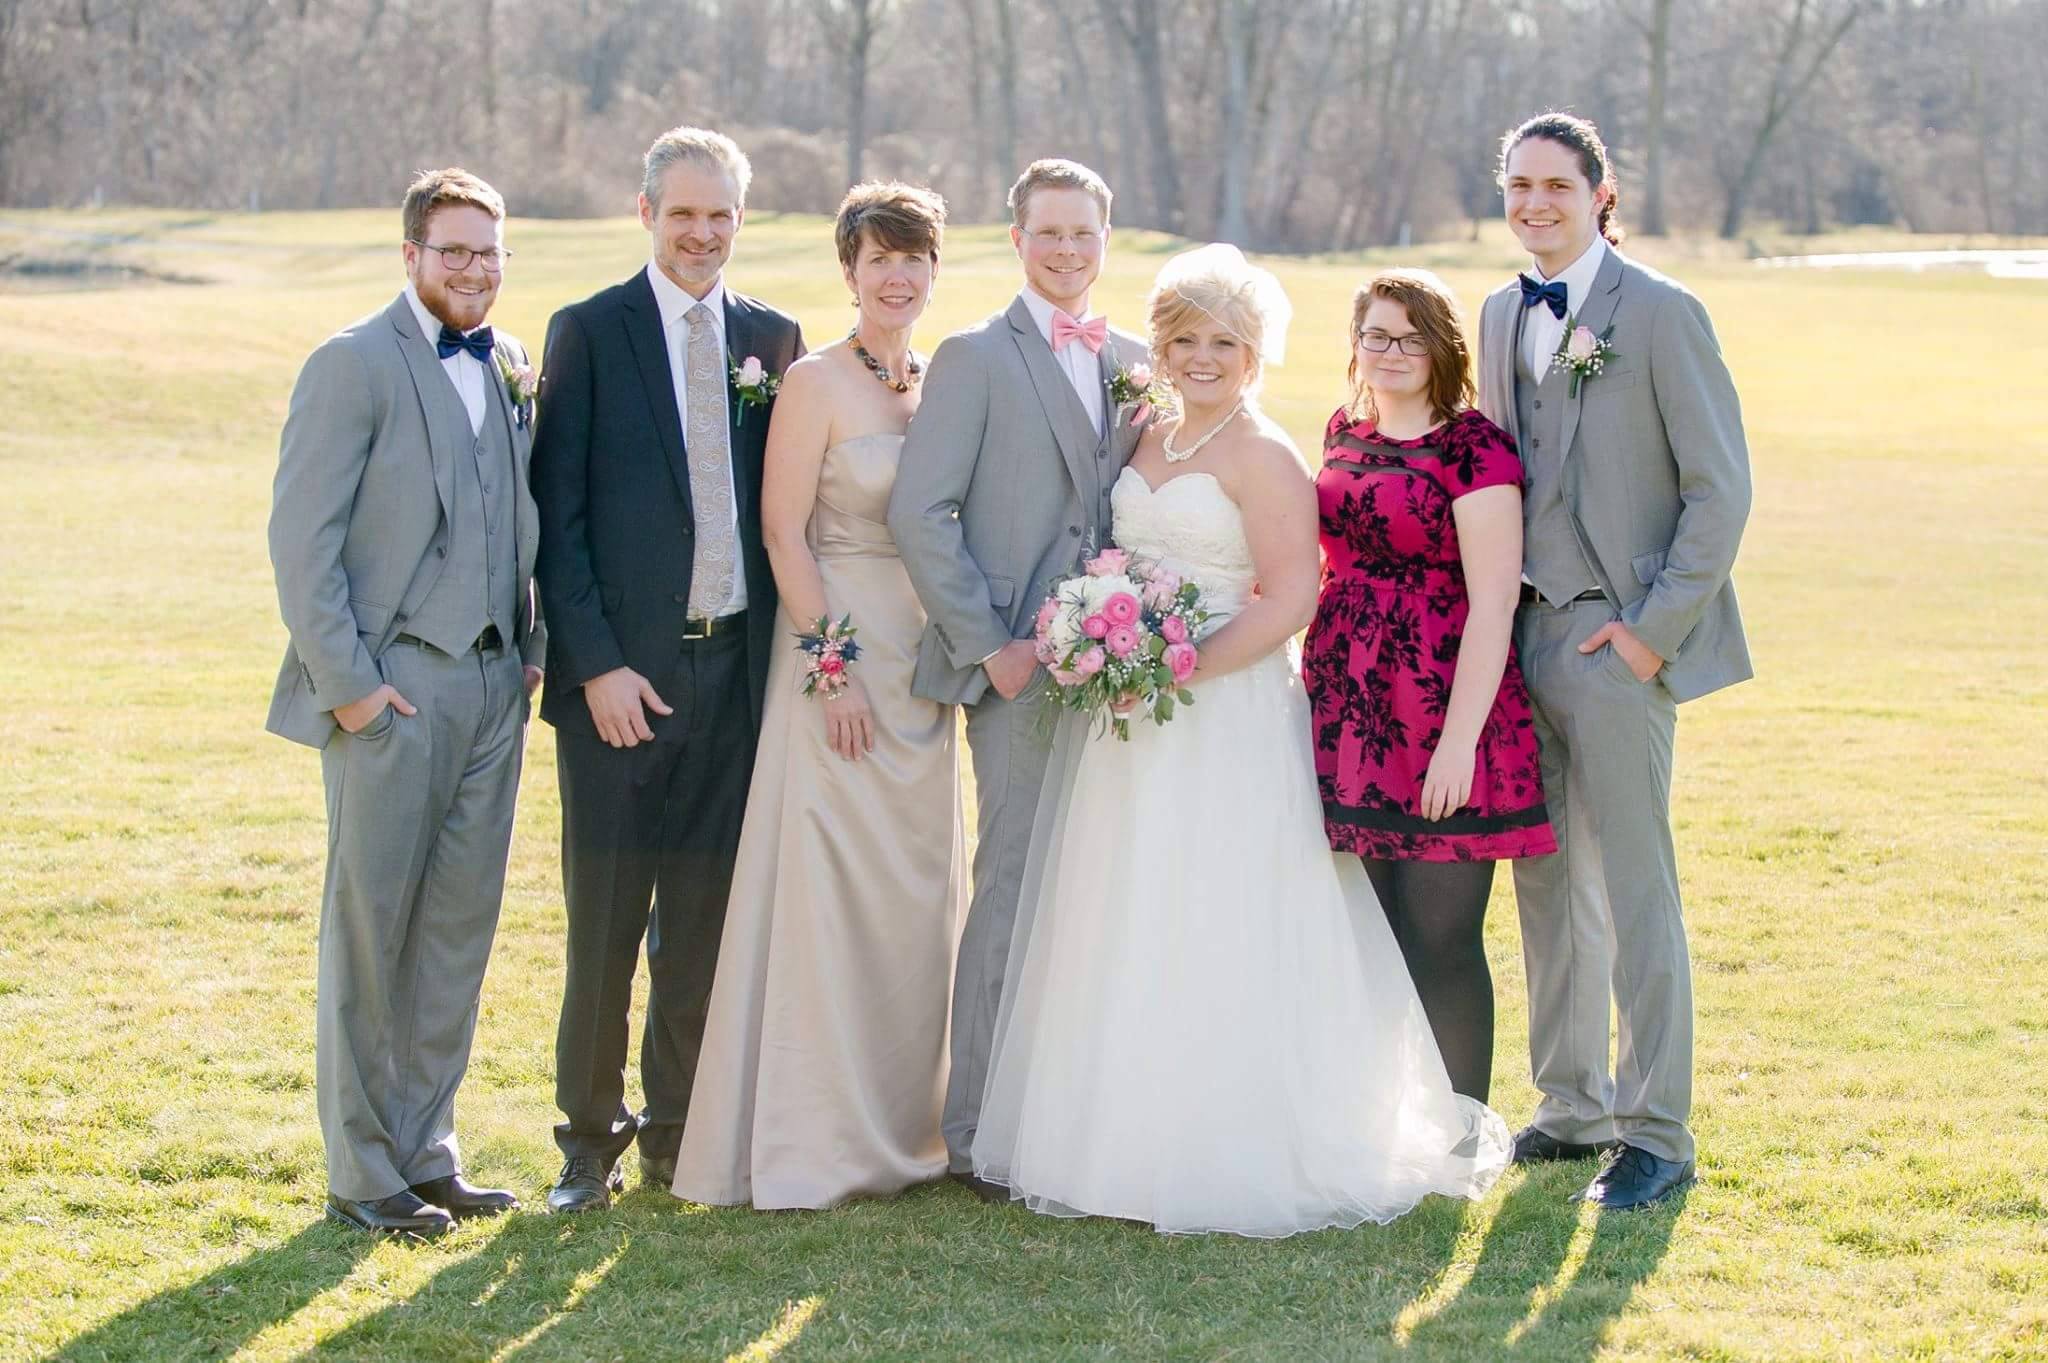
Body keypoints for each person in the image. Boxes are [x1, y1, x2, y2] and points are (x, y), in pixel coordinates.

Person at [971, 245, 1509, 1238]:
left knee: (1222, 911)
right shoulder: (1142, 438)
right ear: (1161, 348)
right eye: (1184, 339)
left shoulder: (1263, 455)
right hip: (1129, 719)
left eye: (1224, 341)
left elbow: (1291, 596)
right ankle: (1120, 1134)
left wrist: (1175, 668)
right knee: (1126, 907)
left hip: (1221, 711)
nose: (1202, 356)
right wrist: (1104, 644)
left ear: (1254, 354)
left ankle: (1239, 1134)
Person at [1478, 111, 1752, 1209]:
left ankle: (1657, 1129)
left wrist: (1647, 632)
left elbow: (1717, 490)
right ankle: (1571, 1104)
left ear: (1599, 192)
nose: (1533, 201)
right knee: (1544, 881)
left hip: (1614, 640)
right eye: (1516, 184)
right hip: (1524, 634)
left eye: (1554, 183)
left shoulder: (1663, 313)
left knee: (1637, 887)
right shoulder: (1501, 312)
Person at [673, 182, 965, 1210]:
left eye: (913, 257)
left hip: (924, 669)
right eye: (878, 257)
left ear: (933, 271)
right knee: (829, 889)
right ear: (848, 271)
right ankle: (816, 1133)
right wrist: (828, 664)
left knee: (913, 896)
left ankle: (913, 1121)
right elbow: (781, 533)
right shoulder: (812, 381)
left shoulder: (942, 380)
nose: (896, 275)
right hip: (835, 652)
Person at [266, 168, 543, 1238]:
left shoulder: (511, 363)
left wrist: (530, 655)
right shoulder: (349, 365)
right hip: (394, 688)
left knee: (457, 930)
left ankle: (428, 1149)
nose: (474, 269)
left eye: (489, 251)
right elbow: (303, 544)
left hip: (490, 685)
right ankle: (360, 1165)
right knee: (371, 931)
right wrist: (354, 694)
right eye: (454, 250)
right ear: (411, 256)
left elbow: (522, 515)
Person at [532, 127, 805, 1213]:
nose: (701, 235)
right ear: (643, 211)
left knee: (700, 921)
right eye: (682, 213)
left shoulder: (772, 339)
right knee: (603, 924)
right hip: (619, 689)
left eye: (720, 216)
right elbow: (559, 518)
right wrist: (595, 665)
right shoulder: (590, 332)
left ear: (742, 220)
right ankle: (586, 1144)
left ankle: (676, 1136)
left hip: (734, 679)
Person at [887, 159, 1149, 1194]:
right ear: (1015, 238)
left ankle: (1069, 1106)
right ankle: (977, 1128)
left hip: (1117, 669)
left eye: (1083, 234)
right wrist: (986, 643)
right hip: (1018, 673)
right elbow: (920, 511)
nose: (1066, 251)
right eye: (1047, 233)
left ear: (1104, 239)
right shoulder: (971, 356)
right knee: (1011, 885)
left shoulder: (1134, 357)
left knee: (1093, 885)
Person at [1303, 269, 1557, 1105]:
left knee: (1440, 937)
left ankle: (1460, 1131)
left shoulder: (1474, 447)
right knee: (1366, 932)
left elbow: (1493, 605)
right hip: (1351, 708)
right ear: (1356, 344)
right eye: (1376, 335)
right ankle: (1381, 1123)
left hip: (1446, 709)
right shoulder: (1344, 431)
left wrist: (1456, 745)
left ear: (1442, 346)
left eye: (1411, 337)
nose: (1393, 352)